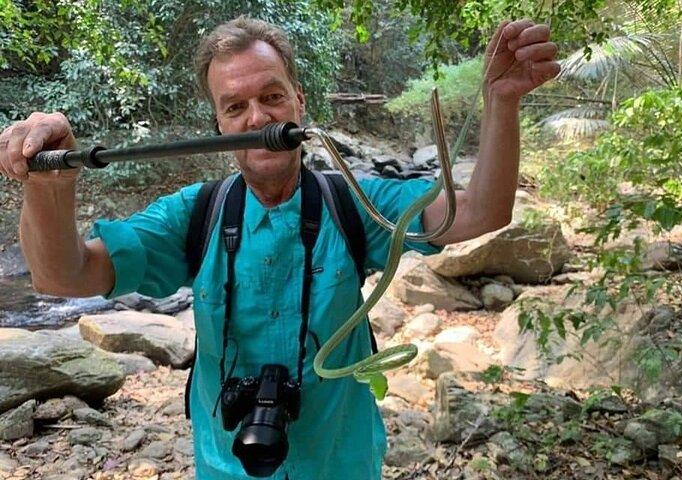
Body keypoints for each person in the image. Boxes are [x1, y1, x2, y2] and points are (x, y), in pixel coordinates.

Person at [0, 16, 559, 480]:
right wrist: (51, 187)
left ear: (299, 101)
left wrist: (501, 101)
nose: (258, 117)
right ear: (218, 123)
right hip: (225, 465)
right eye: (235, 107)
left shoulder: (355, 201)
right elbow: (62, 277)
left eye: (271, 97)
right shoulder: (195, 215)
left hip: (342, 461)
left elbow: (482, 213)